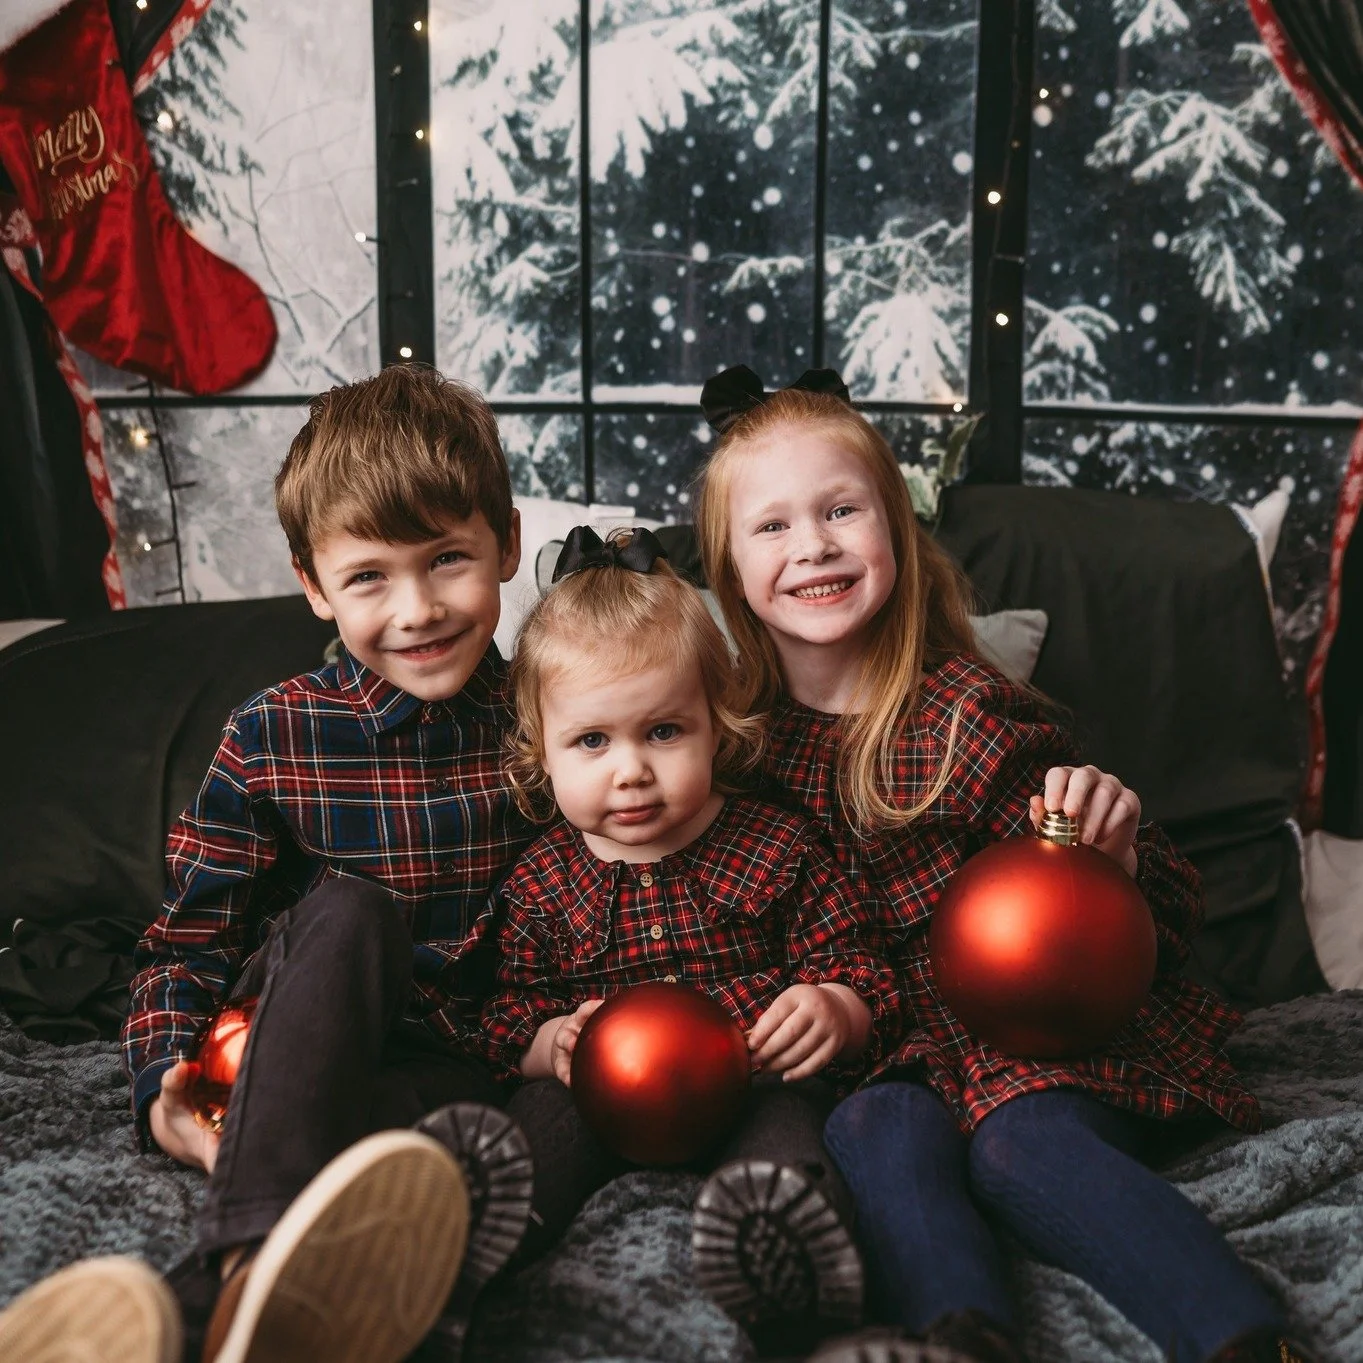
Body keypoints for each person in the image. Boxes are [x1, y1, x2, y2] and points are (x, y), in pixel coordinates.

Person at [692, 365, 1313, 1363]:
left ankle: (1243, 1339)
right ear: (725, 567)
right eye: (771, 526)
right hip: (888, 1050)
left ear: (892, 529)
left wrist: (1109, 854)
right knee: (875, 1133)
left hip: (1034, 1036)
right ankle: (955, 1335)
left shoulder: (965, 715)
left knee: (1020, 1146)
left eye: (840, 510)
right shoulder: (732, 751)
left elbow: (1136, 910)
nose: (811, 544)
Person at [0, 365, 538, 1363]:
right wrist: (163, 1077)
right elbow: (185, 942)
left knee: (458, 1155)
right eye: (370, 575)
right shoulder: (274, 734)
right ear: (314, 586)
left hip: (451, 1069)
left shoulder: (555, 725)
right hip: (293, 1040)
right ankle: (243, 1258)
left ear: (506, 543)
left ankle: (207, 1323)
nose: (416, 608)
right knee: (353, 910)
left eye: (447, 559)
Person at [478, 525, 899, 1352]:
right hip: (599, 1094)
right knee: (538, 1121)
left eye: (663, 731)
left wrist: (835, 1007)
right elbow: (500, 1015)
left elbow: (862, 963)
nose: (629, 769)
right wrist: (546, 1042)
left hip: (753, 1077)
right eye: (592, 741)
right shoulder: (539, 882)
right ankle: (471, 1231)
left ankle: (784, 1250)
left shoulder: (776, 846)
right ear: (542, 753)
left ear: (717, 725)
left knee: (794, 1133)